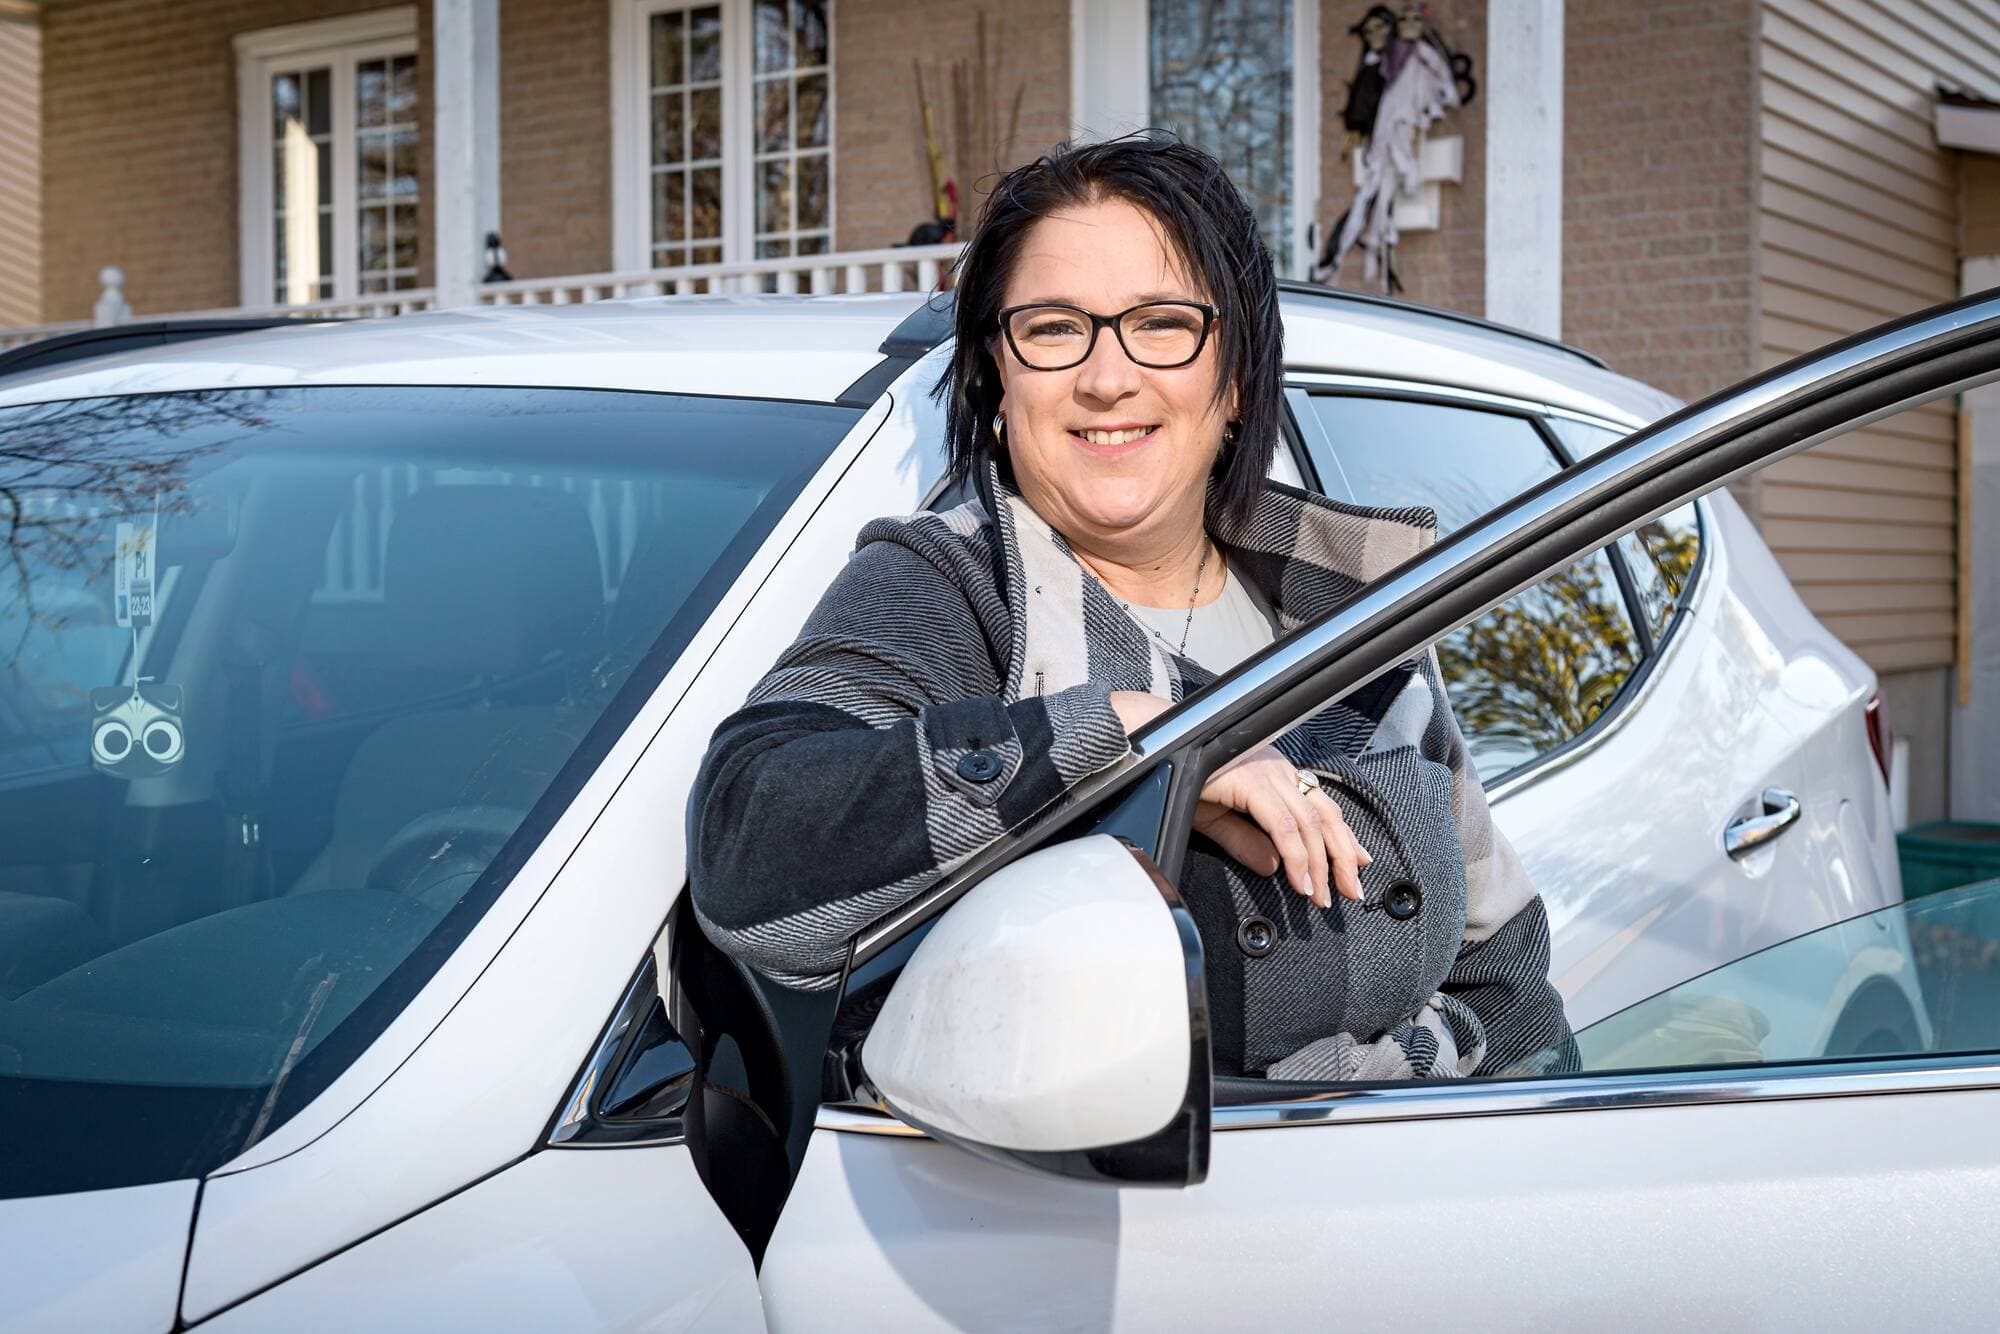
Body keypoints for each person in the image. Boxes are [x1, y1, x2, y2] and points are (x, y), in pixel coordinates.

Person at [689, 133, 1575, 1081]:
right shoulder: (953, 587)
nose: (1107, 377)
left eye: (1159, 324)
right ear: (997, 379)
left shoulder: (1354, 604)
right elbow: (753, 838)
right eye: (1055, 327)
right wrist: (1137, 739)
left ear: (1232, 381)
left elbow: (1509, 980)